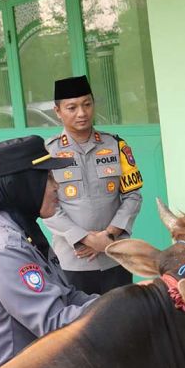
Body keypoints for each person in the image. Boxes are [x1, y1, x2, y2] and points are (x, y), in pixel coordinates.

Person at [0, 135, 97, 368]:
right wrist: (122, 309)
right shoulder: (5, 250)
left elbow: (67, 295)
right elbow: (54, 322)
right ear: (25, 185)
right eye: (48, 177)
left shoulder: (26, 232)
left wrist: (117, 300)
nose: (57, 185)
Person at [43, 75, 143, 295]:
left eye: (87, 104)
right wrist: (86, 239)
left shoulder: (116, 145)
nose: (82, 113)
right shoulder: (48, 153)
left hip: (115, 256)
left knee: (124, 320)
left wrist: (108, 236)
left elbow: (133, 195)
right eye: (72, 107)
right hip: (72, 260)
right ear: (57, 111)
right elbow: (46, 208)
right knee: (80, 324)